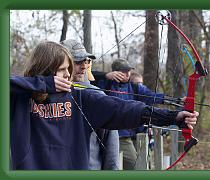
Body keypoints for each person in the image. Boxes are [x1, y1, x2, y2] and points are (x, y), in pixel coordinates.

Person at [10, 41, 198, 170]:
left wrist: (173, 117)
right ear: (45, 70)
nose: (68, 75)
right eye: (61, 70)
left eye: (69, 69)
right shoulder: (18, 98)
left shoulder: (81, 97)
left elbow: (124, 108)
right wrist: (42, 84)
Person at [91, 59, 176, 170]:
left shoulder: (134, 87)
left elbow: (152, 96)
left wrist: (176, 101)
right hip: (113, 133)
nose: (127, 74)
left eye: (129, 71)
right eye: (124, 71)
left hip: (130, 135)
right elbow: (86, 77)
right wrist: (105, 75)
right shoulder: (105, 83)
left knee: (140, 165)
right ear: (115, 72)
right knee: (133, 166)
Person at [60, 39, 120, 170]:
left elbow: (111, 145)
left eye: (86, 61)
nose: (84, 66)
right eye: (77, 61)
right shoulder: (43, 95)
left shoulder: (97, 96)